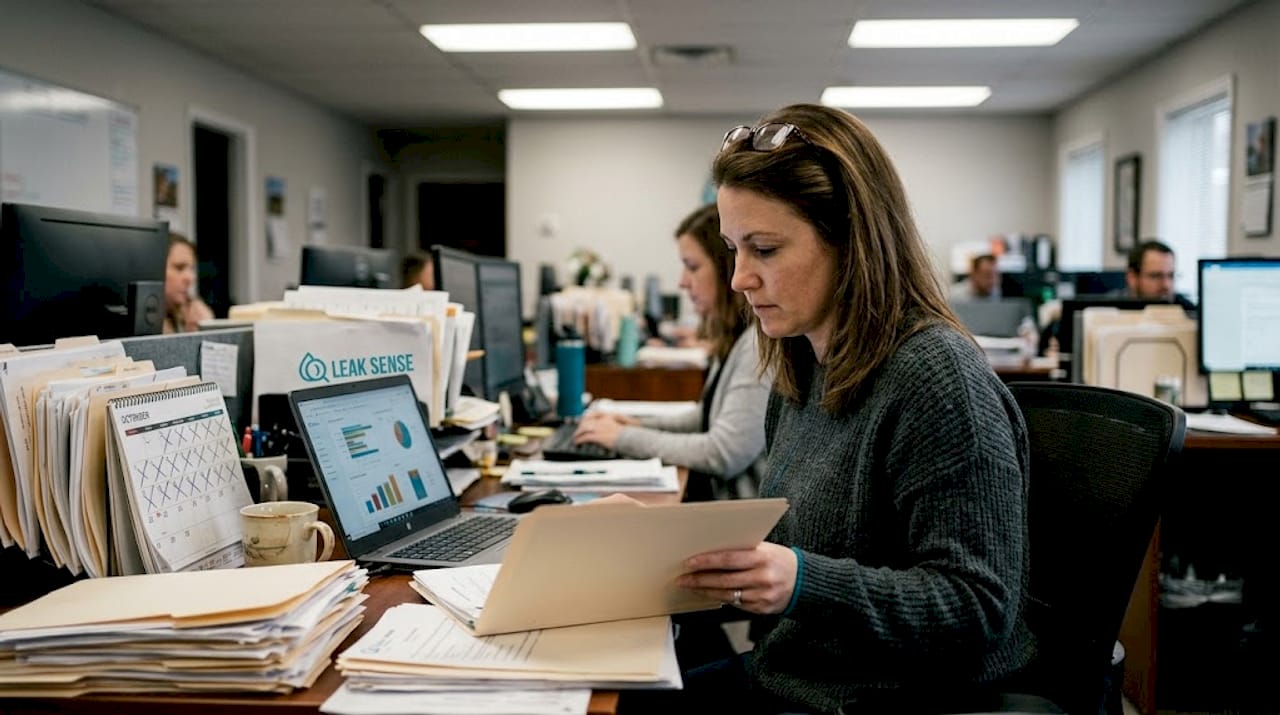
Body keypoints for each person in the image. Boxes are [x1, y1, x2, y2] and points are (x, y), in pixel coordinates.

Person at [660, 104, 1033, 713]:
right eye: (732, 250)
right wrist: (647, 543)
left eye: (766, 249)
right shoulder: (801, 361)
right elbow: (785, 548)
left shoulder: (937, 379)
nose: (739, 280)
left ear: (852, 242)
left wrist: (803, 581)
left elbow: (977, 605)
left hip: (881, 696)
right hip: (798, 672)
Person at [572, 204, 769, 501]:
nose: (681, 282)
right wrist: (637, 425)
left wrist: (622, 438)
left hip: (733, 522)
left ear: (725, 267)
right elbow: (706, 416)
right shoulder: (736, 338)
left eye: (692, 267)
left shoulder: (757, 345)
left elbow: (723, 452)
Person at [163, 232, 213, 333]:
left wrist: (204, 330)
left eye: (192, 269)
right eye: (179, 267)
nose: (190, 278)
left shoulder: (191, 314)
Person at [1123, 239, 1194, 307]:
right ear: (1132, 278)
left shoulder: (1188, 310)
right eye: (1156, 276)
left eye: (1171, 276)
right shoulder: (1115, 311)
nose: (1166, 285)